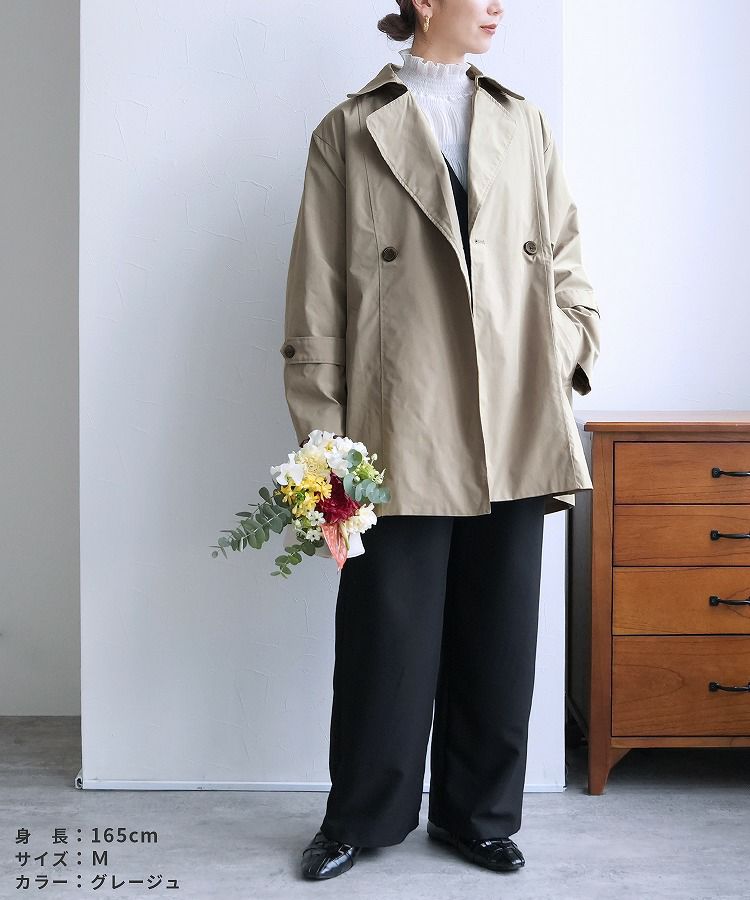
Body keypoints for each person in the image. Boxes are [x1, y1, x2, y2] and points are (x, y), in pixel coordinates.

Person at [281, 0, 601, 882]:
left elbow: (568, 261)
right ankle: (360, 817)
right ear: (424, 1)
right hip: (398, 418)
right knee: (386, 639)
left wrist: (562, 348)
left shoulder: (522, 122)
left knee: (500, 635)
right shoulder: (350, 130)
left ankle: (478, 817)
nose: (499, 5)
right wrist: (326, 451)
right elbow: (316, 293)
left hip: (513, 413)